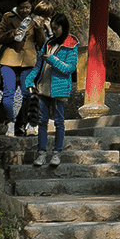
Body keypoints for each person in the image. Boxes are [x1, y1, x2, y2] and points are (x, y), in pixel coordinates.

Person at [26, 13, 78, 169]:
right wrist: (29, 80)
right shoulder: (48, 43)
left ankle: (57, 153)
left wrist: (53, 60)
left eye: (56, 28)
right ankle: (41, 152)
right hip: (43, 87)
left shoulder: (72, 44)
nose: (54, 31)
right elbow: (38, 65)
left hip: (59, 88)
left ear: (64, 27)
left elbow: (69, 68)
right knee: (42, 121)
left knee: (59, 122)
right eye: (52, 28)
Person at [0, 0, 46, 137]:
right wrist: (12, 33)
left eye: (28, 7)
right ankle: (10, 123)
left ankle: (25, 123)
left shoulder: (33, 20)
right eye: (22, 8)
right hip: (9, 59)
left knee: (28, 93)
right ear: (17, 7)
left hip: (29, 60)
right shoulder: (8, 17)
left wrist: (39, 28)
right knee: (8, 92)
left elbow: (41, 43)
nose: (25, 10)